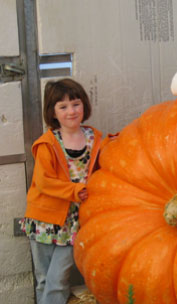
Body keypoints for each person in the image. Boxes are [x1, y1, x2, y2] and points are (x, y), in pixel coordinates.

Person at [21, 78, 104, 304]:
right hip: (45, 219)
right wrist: (75, 190)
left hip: (74, 223)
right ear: (53, 112)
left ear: (84, 105)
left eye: (76, 104)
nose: (71, 111)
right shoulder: (48, 143)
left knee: (57, 280)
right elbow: (43, 182)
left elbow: (105, 167)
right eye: (63, 107)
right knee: (43, 280)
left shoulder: (93, 138)